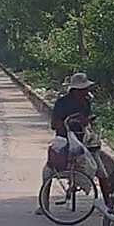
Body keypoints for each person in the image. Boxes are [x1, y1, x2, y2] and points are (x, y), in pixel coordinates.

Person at [36, 72, 97, 215]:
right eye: (83, 90)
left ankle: (108, 206)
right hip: (63, 140)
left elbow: (86, 121)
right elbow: (54, 124)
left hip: (82, 141)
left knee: (101, 170)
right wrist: (68, 123)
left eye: (86, 89)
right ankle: (44, 205)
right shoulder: (62, 103)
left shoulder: (86, 102)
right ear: (75, 90)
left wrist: (85, 121)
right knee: (48, 172)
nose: (86, 92)